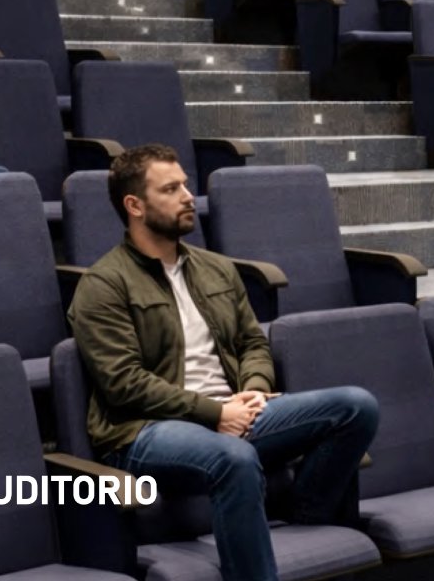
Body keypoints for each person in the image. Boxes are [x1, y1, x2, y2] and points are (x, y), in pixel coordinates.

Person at [68, 143, 379, 581]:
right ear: (134, 205)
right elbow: (125, 384)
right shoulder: (103, 285)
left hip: (233, 410)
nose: (187, 197)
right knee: (233, 457)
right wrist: (215, 413)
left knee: (356, 406)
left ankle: (306, 516)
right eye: (171, 189)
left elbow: (253, 340)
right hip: (144, 431)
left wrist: (252, 384)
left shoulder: (217, 269)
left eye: (186, 185)